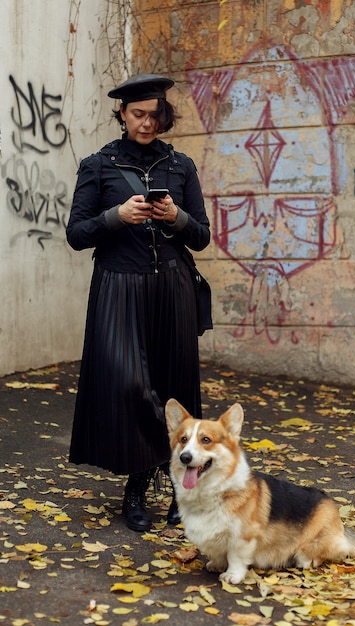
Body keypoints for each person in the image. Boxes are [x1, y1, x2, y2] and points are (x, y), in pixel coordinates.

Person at [66, 73, 211, 532]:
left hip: (172, 288)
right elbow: (76, 233)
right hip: (119, 287)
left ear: (164, 116)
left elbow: (203, 236)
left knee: (175, 389)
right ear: (123, 115)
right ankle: (135, 484)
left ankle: (177, 488)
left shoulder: (181, 165)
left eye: (154, 115)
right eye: (137, 115)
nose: (146, 123)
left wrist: (176, 217)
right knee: (130, 386)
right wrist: (116, 216)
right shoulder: (98, 165)